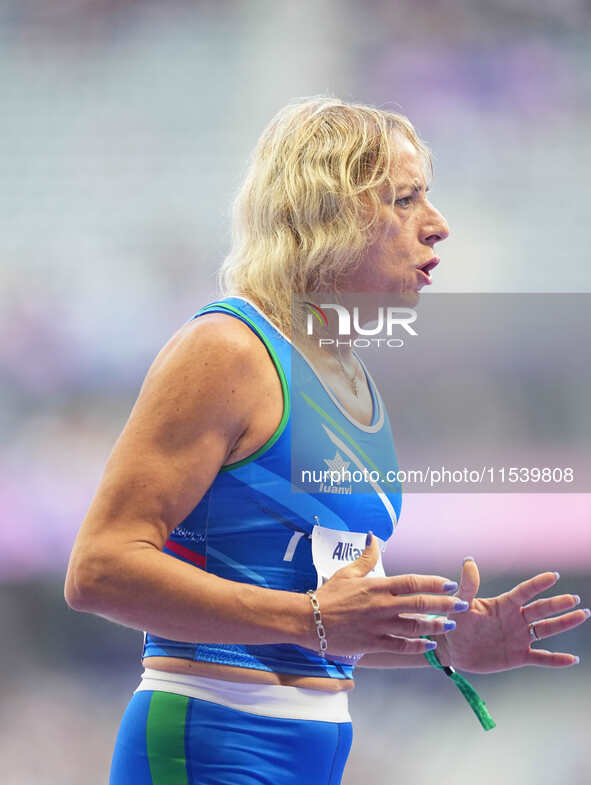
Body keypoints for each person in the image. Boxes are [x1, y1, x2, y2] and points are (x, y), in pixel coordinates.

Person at [64, 96, 588, 785]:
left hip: (309, 754)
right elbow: (98, 569)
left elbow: (331, 624)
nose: (438, 226)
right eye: (405, 200)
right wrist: (309, 616)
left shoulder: (352, 381)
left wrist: (449, 640)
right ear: (326, 216)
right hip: (207, 741)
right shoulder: (226, 350)